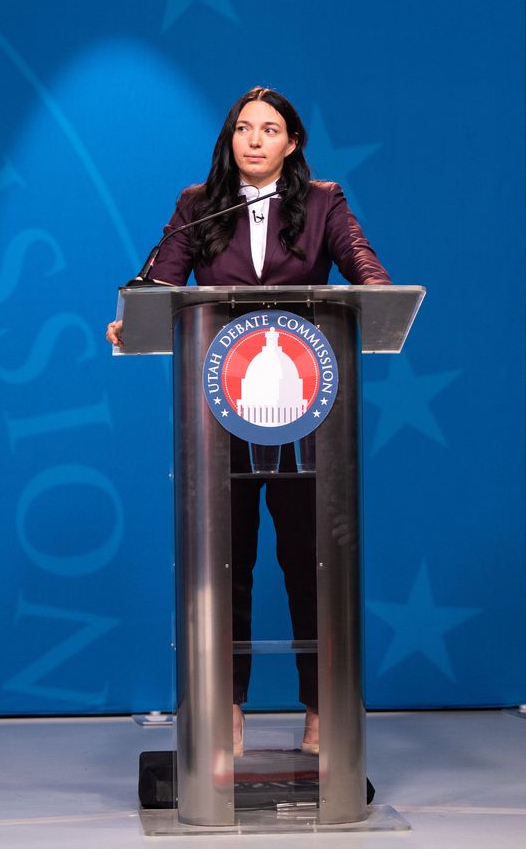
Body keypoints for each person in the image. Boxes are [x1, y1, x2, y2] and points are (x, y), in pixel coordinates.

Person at [106, 86, 391, 755]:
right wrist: (137, 315)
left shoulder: (324, 204)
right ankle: (225, 708)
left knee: (306, 559)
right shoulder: (197, 206)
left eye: (269, 129)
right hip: (220, 412)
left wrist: (377, 295)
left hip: (307, 413)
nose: (254, 140)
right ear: (229, 139)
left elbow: (369, 275)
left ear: (292, 143)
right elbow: (161, 282)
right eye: (243, 128)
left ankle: (321, 709)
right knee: (226, 562)